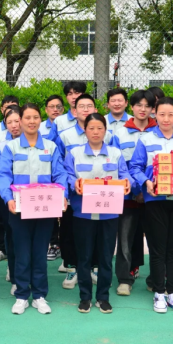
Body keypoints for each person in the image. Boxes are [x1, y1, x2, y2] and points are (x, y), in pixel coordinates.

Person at [128, 97, 173, 314]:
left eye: (171, 114)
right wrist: (146, 182)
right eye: (162, 114)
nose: (166, 119)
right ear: (155, 115)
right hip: (155, 200)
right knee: (157, 247)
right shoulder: (146, 139)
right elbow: (135, 167)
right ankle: (159, 292)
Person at [0, 103, 68, 315]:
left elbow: (60, 174)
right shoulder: (11, 147)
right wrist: (7, 198)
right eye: (27, 117)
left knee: (39, 252)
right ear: (20, 121)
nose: (31, 121)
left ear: (40, 120)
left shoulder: (51, 147)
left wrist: (63, 195)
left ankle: (39, 295)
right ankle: (21, 295)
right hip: (19, 209)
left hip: (44, 209)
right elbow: (3, 175)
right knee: (21, 253)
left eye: (35, 117)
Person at [65, 113, 131, 313]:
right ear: (85, 130)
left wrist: (128, 182)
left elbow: (125, 174)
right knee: (84, 257)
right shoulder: (74, 153)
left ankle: (103, 297)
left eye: (100, 128)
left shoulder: (115, 153)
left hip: (109, 214)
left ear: (105, 130)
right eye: (91, 128)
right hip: (82, 214)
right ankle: (85, 297)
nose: (95, 132)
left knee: (105, 257)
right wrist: (73, 183)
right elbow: (67, 175)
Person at [110, 89, 157, 296]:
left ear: (152, 109)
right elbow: (116, 165)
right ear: (132, 107)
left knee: (156, 240)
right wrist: (137, 189)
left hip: (154, 197)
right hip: (128, 196)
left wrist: (146, 190)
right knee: (124, 240)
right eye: (139, 105)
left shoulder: (160, 132)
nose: (143, 109)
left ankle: (156, 278)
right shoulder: (119, 134)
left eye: (147, 106)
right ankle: (124, 279)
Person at [53, 93, 102, 289]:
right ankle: (71, 268)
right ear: (74, 111)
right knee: (69, 232)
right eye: (81, 106)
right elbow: (58, 165)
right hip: (73, 196)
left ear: (95, 109)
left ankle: (94, 267)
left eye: (89, 106)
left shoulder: (106, 134)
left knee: (97, 232)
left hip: (99, 195)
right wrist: (66, 190)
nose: (85, 110)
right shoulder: (65, 135)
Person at [0, 106, 23, 295]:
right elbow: (1, 174)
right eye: (9, 122)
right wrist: (9, 196)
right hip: (11, 199)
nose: (14, 125)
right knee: (12, 236)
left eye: (17, 121)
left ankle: (30, 278)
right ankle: (14, 276)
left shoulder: (39, 144)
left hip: (33, 199)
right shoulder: (1, 146)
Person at [41, 95, 65, 261]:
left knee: (64, 212)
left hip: (62, 171)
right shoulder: (39, 127)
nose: (55, 110)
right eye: (51, 106)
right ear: (46, 109)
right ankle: (54, 244)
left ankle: (64, 246)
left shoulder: (66, 124)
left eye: (58, 107)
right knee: (49, 211)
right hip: (45, 174)